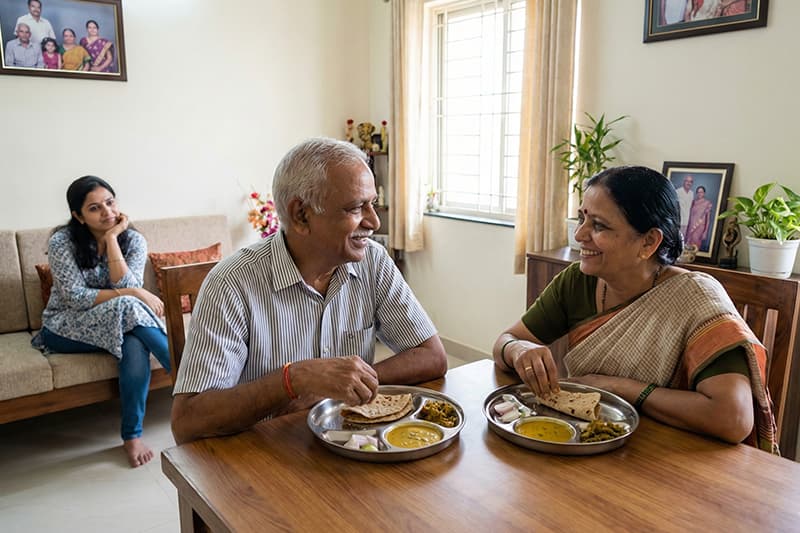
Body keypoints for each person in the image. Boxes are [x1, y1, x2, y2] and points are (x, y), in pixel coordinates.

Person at [171, 138, 447, 444]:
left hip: (351, 446)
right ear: (301, 215)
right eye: (356, 208)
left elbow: (432, 356)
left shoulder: (373, 260)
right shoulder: (231, 283)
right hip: (264, 456)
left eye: (371, 203)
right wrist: (293, 380)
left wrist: (350, 382)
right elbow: (188, 422)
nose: (374, 221)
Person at [492, 166, 778, 453]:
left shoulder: (697, 299)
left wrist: (616, 387)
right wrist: (519, 349)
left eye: (599, 226)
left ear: (649, 242)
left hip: (676, 457)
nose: (579, 234)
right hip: (594, 444)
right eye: (582, 218)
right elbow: (505, 341)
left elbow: (733, 419)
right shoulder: (577, 281)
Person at [31, 176, 171, 467]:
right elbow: (75, 298)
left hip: (119, 321)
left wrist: (111, 239)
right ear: (78, 216)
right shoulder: (62, 242)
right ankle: (191, 376)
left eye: (110, 202)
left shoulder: (133, 240)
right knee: (129, 304)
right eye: (94, 208)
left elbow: (127, 282)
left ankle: (131, 436)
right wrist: (134, 293)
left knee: (133, 343)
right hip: (66, 325)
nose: (107, 212)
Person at [685, 185, 713, 249]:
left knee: (695, 246)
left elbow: (708, 219)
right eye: (698, 192)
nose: (700, 194)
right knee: (688, 246)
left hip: (699, 228)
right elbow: (690, 216)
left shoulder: (707, 203)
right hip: (691, 227)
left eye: (701, 192)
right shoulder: (693, 202)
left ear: (704, 193)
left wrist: (705, 232)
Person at [675, 174, 694, 239]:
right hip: (678, 221)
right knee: (676, 238)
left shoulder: (691, 193)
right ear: (684, 182)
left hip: (687, 222)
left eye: (690, 182)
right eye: (687, 181)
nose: (688, 183)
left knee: (683, 239)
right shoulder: (677, 192)